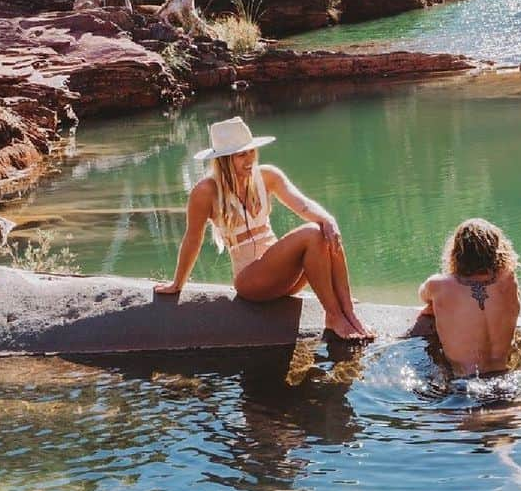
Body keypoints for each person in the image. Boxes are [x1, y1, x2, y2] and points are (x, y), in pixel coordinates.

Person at [154, 116, 373, 341]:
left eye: (251, 152)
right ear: (224, 160)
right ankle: (334, 315)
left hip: (285, 279)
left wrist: (328, 219)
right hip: (252, 282)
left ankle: (348, 312)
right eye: (241, 155)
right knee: (312, 232)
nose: (249, 159)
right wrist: (177, 284)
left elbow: (302, 204)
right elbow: (193, 238)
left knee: (324, 229)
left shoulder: (267, 175)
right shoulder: (205, 191)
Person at [418, 218, 521, 376]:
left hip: (464, 383)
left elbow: (423, 296)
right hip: (504, 374)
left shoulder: (438, 285)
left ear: (456, 252)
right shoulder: (509, 280)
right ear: (497, 250)